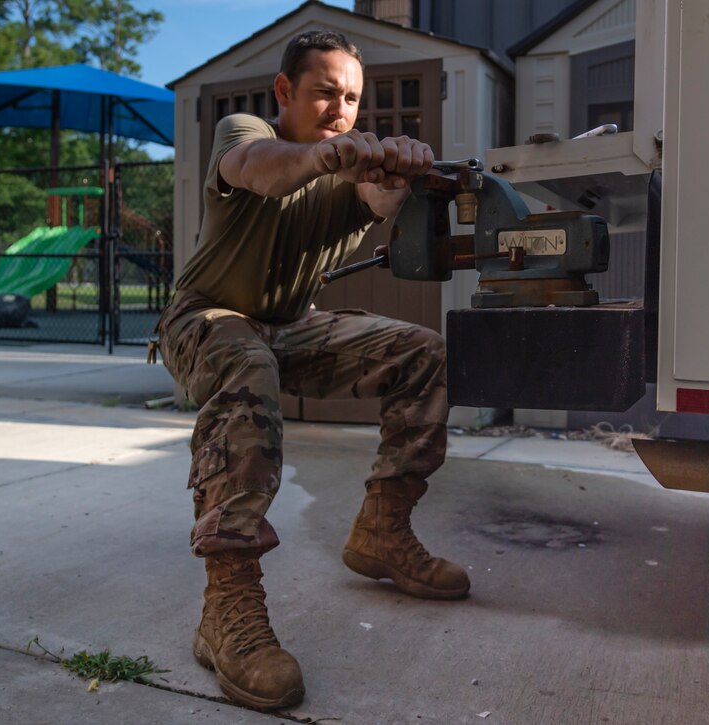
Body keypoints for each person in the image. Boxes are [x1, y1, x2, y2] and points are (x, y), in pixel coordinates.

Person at [155, 29, 469, 712]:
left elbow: (378, 203)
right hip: (204, 318)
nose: (340, 109)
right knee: (245, 362)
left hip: (289, 324)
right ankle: (227, 607)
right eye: (326, 92)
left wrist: (396, 176)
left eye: (351, 98)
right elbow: (261, 169)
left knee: (422, 350)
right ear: (285, 91)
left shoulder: (347, 177)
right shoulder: (247, 133)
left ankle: (383, 530)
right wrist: (327, 155)